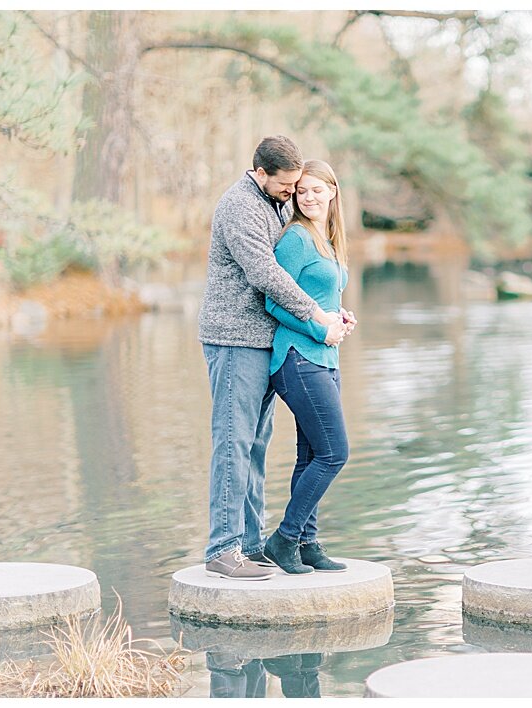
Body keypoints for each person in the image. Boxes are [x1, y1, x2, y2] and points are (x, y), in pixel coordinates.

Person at [199, 137, 347, 581]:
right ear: (260, 173)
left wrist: (331, 311)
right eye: (287, 185)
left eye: (297, 185)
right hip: (234, 338)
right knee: (233, 441)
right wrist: (316, 317)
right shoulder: (241, 206)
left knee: (257, 446)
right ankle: (222, 548)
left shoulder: (275, 201)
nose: (294, 192)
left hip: (266, 340)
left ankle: (249, 543)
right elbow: (266, 274)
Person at [260, 159, 355, 575]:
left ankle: (306, 544)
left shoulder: (328, 240)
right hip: (298, 358)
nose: (309, 197)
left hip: (324, 359)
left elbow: (320, 298)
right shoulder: (296, 238)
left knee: (311, 454)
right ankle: (283, 539)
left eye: (317, 190)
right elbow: (274, 300)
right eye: (302, 191)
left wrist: (340, 315)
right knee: (334, 453)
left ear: (333, 191)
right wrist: (321, 330)